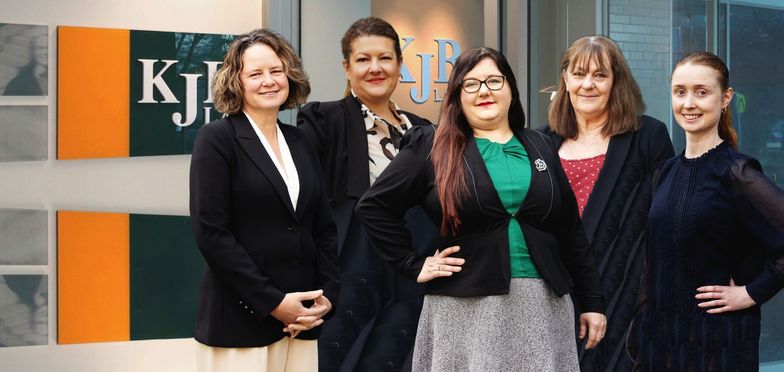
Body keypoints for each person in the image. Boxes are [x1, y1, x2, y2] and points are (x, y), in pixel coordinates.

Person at [356, 46, 607, 371]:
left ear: (511, 90)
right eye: (471, 84)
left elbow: (570, 230)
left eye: (494, 81)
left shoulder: (540, 144)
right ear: (457, 95)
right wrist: (411, 263)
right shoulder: (432, 146)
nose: (484, 91)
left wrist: (592, 301)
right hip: (465, 307)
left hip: (543, 304)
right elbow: (374, 207)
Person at [629, 51, 784, 371]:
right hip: (660, 345)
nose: (689, 103)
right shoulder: (663, 173)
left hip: (717, 345)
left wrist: (752, 292)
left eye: (701, 92)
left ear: (726, 98)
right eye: (680, 92)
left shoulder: (737, 172)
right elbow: (655, 264)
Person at [189, 29, 339, 372]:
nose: (269, 81)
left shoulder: (301, 141)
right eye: (255, 74)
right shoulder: (217, 139)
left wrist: (326, 297)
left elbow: (323, 228)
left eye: (276, 70)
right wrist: (272, 302)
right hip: (240, 323)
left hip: (301, 322)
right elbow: (212, 234)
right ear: (235, 82)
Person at [297, 17, 437, 372]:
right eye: (362, 59)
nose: (375, 68)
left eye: (385, 58)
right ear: (346, 67)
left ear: (400, 65)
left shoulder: (424, 130)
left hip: (413, 275)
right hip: (350, 276)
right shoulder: (321, 121)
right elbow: (303, 200)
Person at [542, 35, 674, 371]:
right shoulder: (541, 142)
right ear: (566, 80)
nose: (588, 84)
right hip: (551, 301)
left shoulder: (648, 137)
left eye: (600, 75)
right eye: (579, 73)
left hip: (625, 300)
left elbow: (672, 218)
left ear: (617, 82)